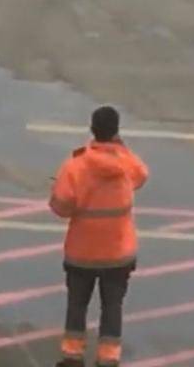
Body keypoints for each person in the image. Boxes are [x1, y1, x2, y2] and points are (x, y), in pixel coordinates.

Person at [49, 106, 149, 367]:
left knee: (77, 305)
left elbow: (60, 206)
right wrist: (121, 148)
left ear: (92, 129)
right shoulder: (126, 163)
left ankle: (72, 354)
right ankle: (108, 357)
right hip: (118, 252)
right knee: (112, 306)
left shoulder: (76, 165)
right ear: (116, 131)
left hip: (82, 252)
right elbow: (142, 175)